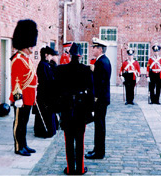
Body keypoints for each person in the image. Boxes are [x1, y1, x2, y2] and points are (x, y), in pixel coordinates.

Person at [56, 43, 94, 175]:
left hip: (66, 109)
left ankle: (70, 168)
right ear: (81, 56)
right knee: (80, 140)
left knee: (68, 140)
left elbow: (56, 91)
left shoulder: (60, 70)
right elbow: (91, 92)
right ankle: (80, 168)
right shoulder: (86, 70)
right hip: (81, 109)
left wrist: (58, 108)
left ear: (69, 55)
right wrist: (90, 110)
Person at [10, 19, 38, 156]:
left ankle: (24, 144)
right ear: (25, 44)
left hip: (29, 96)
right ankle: (18, 146)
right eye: (31, 45)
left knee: (25, 123)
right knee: (19, 124)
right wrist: (17, 98)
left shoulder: (26, 58)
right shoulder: (18, 59)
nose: (32, 47)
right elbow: (16, 81)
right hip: (21, 97)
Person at [85, 37, 111, 160]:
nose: (93, 49)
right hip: (102, 98)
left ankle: (99, 152)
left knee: (99, 126)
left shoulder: (101, 62)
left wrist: (95, 98)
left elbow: (99, 82)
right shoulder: (102, 61)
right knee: (99, 125)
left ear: (100, 49)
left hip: (100, 99)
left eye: (94, 47)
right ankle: (97, 149)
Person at [34, 46, 58, 138]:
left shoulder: (46, 64)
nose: (51, 57)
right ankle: (43, 131)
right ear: (46, 55)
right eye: (50, 55)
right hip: (44, 93)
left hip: (46, 93)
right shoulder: (43, 65)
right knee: (44, 113)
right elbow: (47, 80)